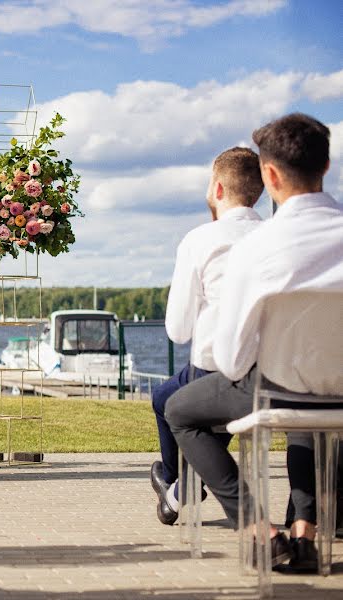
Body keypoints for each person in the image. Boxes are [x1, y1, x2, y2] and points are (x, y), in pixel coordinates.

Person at [165, 113, 343, 572]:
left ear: (270, 174)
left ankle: (258, 530)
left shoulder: (257, 247)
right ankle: (306, 531)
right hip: (339, 392)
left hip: (275, 387)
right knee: (310, 405)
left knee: (180, 410)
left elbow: (231, 357)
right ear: (325, 167)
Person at [150, 147, 263, 525]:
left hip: (217, 371)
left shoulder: (202, 240)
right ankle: (179, 483)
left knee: (171, 403)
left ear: (216, 188)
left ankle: (180, 484)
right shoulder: (274, 236)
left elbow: (178, 330)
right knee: (166, 395)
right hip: (279, 374)